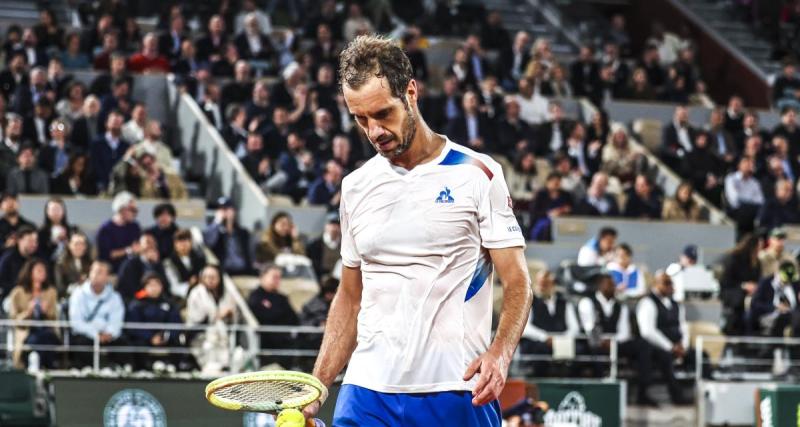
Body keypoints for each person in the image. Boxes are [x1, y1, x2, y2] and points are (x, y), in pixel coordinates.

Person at [304, 36, 532, 425]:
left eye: (382, 114)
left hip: (455, 387)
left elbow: (518, 283)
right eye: (361, 119)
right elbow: (350, 297)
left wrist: (500, 353)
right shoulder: (355, 187)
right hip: (366, 390)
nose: (374, 131)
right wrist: (315, 392)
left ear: (411, 92)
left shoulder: (479, 174)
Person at [578, 273, 657, 406]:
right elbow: (589, 326)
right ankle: (598, 392)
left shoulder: (621, 306)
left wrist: (613, 342)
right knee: (591, 349)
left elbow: (624, 332)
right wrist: (602, 341)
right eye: (609, 285)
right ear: (600, 285)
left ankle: (642, 393)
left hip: (616, 343)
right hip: (595, 342)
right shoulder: (587, 302)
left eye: (613, 285)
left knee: (643, 346)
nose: (613, 287)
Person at [636, 272, 692, 405]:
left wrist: (683, 345)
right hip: (656, 347)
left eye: (671, 283)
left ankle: (703, 396)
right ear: (655, 284)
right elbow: (647, 331)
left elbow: (683, 327)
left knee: (700, 355)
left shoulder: (677, 305)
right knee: (664, 357)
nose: (669, 286)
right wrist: (670, 347)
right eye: (666, 283)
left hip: (677, 346)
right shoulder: (647, 302)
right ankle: (676, 396)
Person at [519, 270, 580, 377]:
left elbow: (574, 327)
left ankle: (568, 379)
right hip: (538, 342)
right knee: (539, 350)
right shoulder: (529, 301)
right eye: (541, 283)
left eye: (546, 283)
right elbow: (525, 327)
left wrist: (562, 339)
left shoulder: (564, 302)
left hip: (561, 340)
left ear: (553, 284)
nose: (543, 286)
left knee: (580, 350)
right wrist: (545, 337)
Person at [68, 261, 128, 368]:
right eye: (94, 271)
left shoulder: (115, 297)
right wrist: (95, 334)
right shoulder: (78, 294)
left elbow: (116, 320)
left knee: (123, 344)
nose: (96, 275)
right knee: (80, 345)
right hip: (86, 334)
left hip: (107, 336)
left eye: (100, 272)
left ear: (107, 277)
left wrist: (109, 333)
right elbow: (76, 322)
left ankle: (120, 372)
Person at [7, 259, 60, 368]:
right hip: (27, 331)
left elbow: (55, 316)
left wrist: (46, 311)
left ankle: (37, 366)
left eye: (44, 271)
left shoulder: (51, 292)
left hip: (46, 328)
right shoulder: (18, 292)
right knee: (40, 340)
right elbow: (13, 319)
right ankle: (48, 368)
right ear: (30, 272)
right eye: (39, 270)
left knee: (47, 337)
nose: (43, 273)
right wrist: (28, 312)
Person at [186, 265, 237, 374]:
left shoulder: (226, 293)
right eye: (206, 277)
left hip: (223, 335)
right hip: (200, 335)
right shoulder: (196, 293)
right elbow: (197, 318)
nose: (209, 280)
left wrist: (230, 314)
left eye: (213, 277)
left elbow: (233, 314)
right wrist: (218, 315)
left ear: (219, 278)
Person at [125, 273, 183, 369]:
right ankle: (142, 369)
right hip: (144, 339)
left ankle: (173, 368)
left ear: (161, 286)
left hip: (165, 339)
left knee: (177, 344)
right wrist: (150, 337)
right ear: (145, 287)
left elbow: (176, 323)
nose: (154, 288)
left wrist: (165, 336)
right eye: (150, 285)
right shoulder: (136, 304)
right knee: (136, 344)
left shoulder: (169, 303)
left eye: (156, 284)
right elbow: (133, 327)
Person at [248, 264, 300, 367]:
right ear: (263, 277)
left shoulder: (282, 297)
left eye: (279, 278)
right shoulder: (255, 297)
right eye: (274, 277)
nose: (277, 280)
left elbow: (293, 318)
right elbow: (263, 316)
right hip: (265, 341)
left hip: (285, 341)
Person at [720, 234, 761, 336]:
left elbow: (758, 280)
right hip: (732, 291)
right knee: (739, 301)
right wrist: (743, 286)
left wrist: (755, 286)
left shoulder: (757, 262)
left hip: (750, 294)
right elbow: (726, 282)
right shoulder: (733, 258)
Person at [203, 197, 253, 276]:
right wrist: (217, 221)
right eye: (221, 209)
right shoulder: (215, 230)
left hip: (244, 270)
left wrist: (230, 222)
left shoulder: (243, 232)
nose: (224, 212)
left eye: (226, 209)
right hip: (225, 272)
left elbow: (249, 254)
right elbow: (209, 241)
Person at [750, 261, 800, 339]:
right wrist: (775, 307)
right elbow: (755, 304)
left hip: (793, 316)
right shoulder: (766, 283)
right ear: (777, 272)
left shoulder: (796, 284)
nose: (787, 282)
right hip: (771, 317)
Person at [95, 191, 141, 272]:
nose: (135, 213)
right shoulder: (106, 229)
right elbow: (107, 255)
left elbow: (137, 247)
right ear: (122, 209)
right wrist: (128, 250)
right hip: (112, 268)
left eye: (136, 210)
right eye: (132, 210)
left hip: (132, 267)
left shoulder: (135, 226)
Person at [116, 233, 167, 302]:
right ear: (139, 246)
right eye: (147, 242)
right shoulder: (129, 264)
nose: (151, 245)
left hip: (157, 299)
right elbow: (128, 289)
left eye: (153, 242)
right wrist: (146, 293)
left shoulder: (158, 264)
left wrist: (154, 265)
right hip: (136, 301)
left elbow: (165, 286)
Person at [163, 228, 206, 300]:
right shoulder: (169, 262)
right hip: (180, 298)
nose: (183, 244)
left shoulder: (200, 258)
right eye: (180, 241)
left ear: (191, 242)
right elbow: (173, 287)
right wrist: (189, 285)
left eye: (186, 240)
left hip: (202, 293)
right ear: (175, 244)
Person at [0, 225, 38, 302]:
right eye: (30, 241)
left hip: (35, 296)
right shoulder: (8, 258)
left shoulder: (38, 258)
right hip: (12, 296)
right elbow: (2, 283)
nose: (34, 244)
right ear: (19, 240)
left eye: (36, 241)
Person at [54, 232, 92, 298]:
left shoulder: (91, 264)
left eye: (82, 244)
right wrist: (78, 285)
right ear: (69, 245)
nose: (79, 247)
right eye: (76, 244)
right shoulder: (61, 265)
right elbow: (60, 288)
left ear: (85, 247)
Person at [306, 212, 341, 278]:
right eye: (331, 224)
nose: (334, 228)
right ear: (325, 226)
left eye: (337, 225)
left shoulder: (344, 245)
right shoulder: (314, 246)